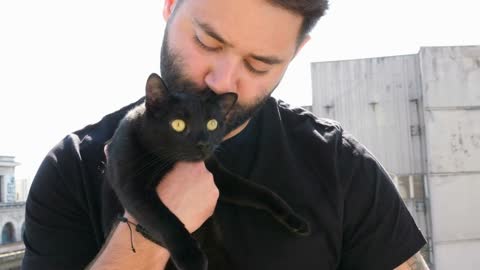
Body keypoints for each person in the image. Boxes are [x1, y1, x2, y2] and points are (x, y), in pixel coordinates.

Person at [22, 0, 429, 269]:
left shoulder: (344, 170)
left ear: (296, 53)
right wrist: (150, 231)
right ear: (169, 5)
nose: (221, 82)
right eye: (206, 41)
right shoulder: (71, 169)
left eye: (258, 65)